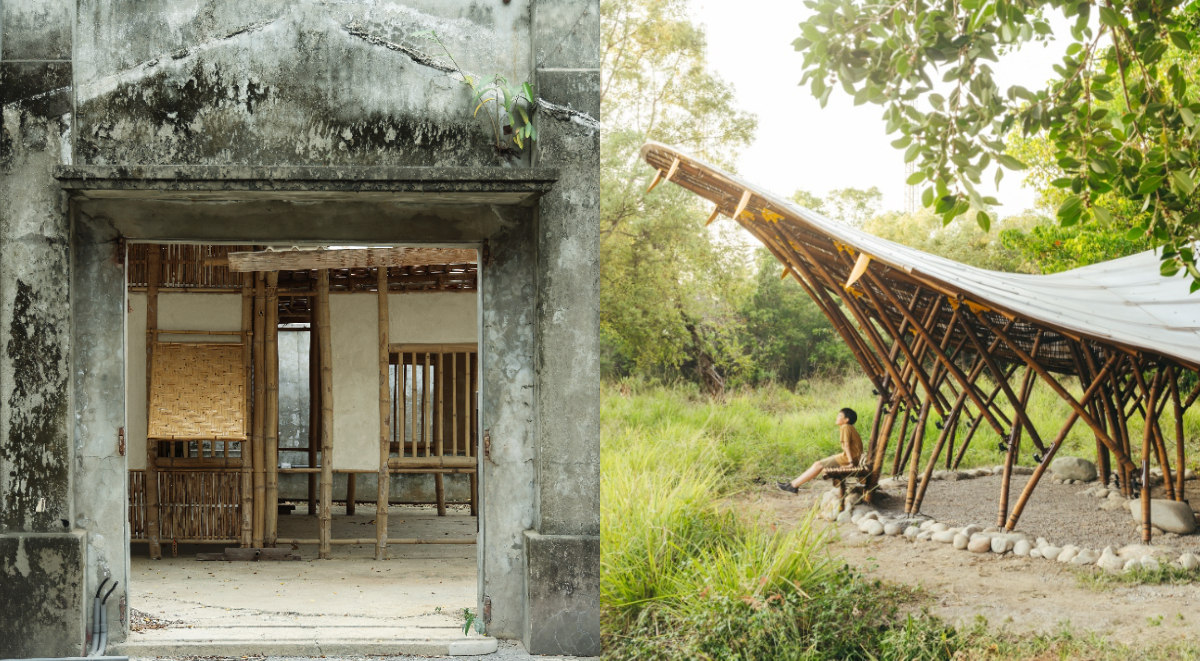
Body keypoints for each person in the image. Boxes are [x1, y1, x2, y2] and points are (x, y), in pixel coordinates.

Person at [777, 407, 862, 493]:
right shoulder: (849, 427)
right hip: (849, 457)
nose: (837, 417)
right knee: (817, 464)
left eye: (840, 415)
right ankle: (792, 484)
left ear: (846, 419)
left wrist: (851, 463)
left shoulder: (845, 427)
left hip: (848, 459)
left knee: (818, 465)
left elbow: (847, 445)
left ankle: (793, 486)